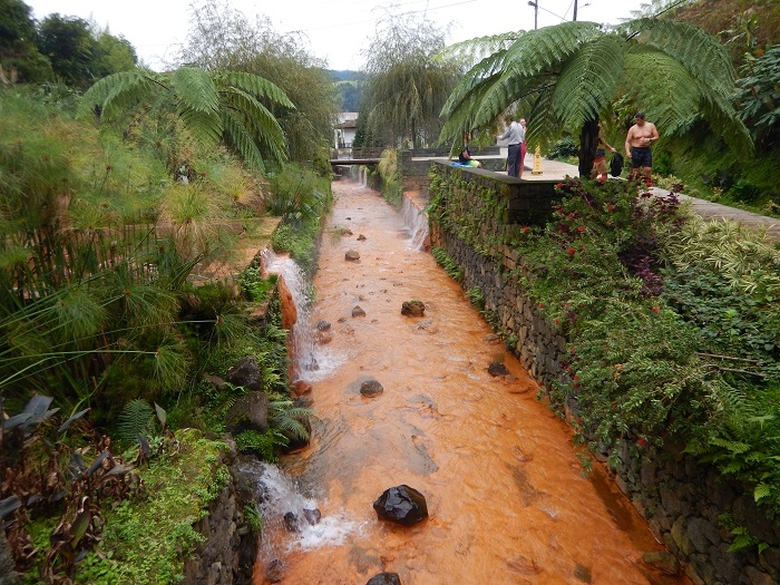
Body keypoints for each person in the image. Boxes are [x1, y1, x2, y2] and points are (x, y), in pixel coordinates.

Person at [624, 112, 659, 185]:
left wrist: (649, 139)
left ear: (643, 119)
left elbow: (656, 137)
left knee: (648, 169)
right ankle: (635, 184)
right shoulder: (633, 129)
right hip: (636, 150)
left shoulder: (650, 126)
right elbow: (627, 141)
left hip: (646, 149)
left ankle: (648, 184)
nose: (637, 122)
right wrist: (627, 152)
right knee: (636, 169)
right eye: (636, 120)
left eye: (638, 120)